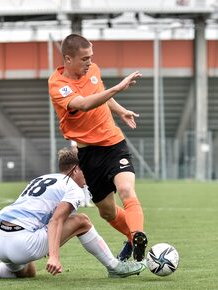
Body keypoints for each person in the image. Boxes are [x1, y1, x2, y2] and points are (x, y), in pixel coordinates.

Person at [0, 148, 146, 280]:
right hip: (22, 242)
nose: (88, 176)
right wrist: (55, 257)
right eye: (85, 171)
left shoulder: (44, 178)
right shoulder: (72, 188)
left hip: (0, 239)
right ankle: (114, 267)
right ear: (75, 170)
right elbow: (57, 220)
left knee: (28, 271)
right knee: (82, 221)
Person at [48, 34, 147, 262]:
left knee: (126, 190)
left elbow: (99, 94)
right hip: (89, 155)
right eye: (84, 59)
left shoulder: (93, 71)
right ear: (68, 59)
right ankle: (132, 238)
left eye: (91, 57)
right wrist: (118, 88)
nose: (89, 63)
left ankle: (138, 234)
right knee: (107, 212)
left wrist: (120, 110)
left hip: (114, 144)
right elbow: (83, 104)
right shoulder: (58, 85)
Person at [70, 140, 93, 207]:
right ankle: (81, 201)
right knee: (80, 182)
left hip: (86, 160)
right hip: (78, 161)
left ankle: (87, 201)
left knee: (87, 183)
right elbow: (74, 150)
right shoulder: (74, 138)